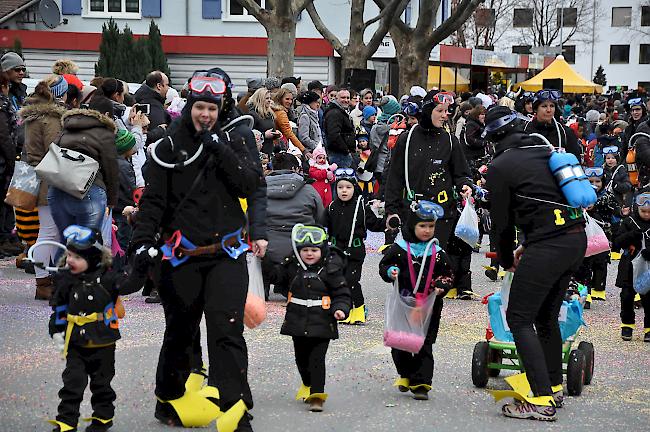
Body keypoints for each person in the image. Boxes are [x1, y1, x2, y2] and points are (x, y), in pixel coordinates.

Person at [129, 74, 261, 430]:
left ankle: (234, 409)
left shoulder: (234, 139)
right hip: (181, 255)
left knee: (227, 329)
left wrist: (219, 146)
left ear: (221, 109)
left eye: (212, 108)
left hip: (226, 254)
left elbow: (250, 184)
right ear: (189, 107)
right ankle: (169, 398)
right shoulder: (168, 145)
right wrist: (141, 244)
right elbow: (154, 202)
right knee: (181, 331)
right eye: (200, 107)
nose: (205, 114)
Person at [484, 106, 587, 421]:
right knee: (545, 317)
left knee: (518, 317)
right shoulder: (545, 149)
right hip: (575, 238)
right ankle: (553, 386)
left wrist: (505, 258)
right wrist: (526, 244)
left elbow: (501, 224)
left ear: (493, 138)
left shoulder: (501, 166)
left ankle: (540, 399)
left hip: (549, 246)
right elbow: (544, 202)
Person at [47, 225, 139, 432]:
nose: (70, 260)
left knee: (102, 384)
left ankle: (103, 418)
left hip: (103, 341)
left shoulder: (108, 279)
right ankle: (66, 421)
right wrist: (56, 332)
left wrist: (141, 265)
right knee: (73, 382)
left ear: (94, 258)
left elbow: (129, 285)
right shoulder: (65, 279)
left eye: (77, 257)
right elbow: (59, 308)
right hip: (75, 342)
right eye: (69, 255)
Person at [268, 224, 351, 412]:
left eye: (314, 250)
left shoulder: (331, 269)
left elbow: (342, 292)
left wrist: (341, 309)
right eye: (305, 250)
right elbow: (275, 276)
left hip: (323, 323)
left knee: (317, 359)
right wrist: (264, 258)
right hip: (297, 322)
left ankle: (317, 395)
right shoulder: (293, 267)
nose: (310, 254)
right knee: (301, 359)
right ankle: (307, 383)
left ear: (322, 249)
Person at [378, 201, 454, 401]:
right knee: (400, 341)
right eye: (422, 226)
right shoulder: (400, 248)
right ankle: (405, 374)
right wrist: (389, 271)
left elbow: (447, 273)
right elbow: (386, 263)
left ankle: (421, 383)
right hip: (404, 301)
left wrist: (442, 285)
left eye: (431, 226)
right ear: (412, 226)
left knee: (424, 344)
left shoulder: (437, 252)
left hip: (429, 305)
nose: (427, 231)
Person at [384, 90, 473, 250]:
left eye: (446, 111)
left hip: (443, 212)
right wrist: (391, 210)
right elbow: (394, 177)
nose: (445, 115)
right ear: (427, 111)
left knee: (436, 264)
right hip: (413, 211)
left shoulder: (450, 141)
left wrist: (465, 185)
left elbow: (461, 173)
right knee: (415, 265)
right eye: (440, 111)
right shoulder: (407, 139)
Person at [21, 78, 68, 300]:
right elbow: (56, 150)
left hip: (40, 175)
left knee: (50, 231)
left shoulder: (34, 115)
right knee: (49, 232)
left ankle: (47, 279)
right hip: (49, 178)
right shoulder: (50, 119)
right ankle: (42, 282)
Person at [48, 107, 119, 240]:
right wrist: (112, 199)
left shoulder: (65, 130)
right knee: (86, 246)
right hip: (90, 190)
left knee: (65, 244)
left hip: (58, 190)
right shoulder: (104, 132)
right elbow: (111, 168)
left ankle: (60, 262)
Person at [325, 168, 382, 324]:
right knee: (339, 280)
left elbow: (374, 224)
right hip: (337, 251)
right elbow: (323, 226)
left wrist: (388, 223)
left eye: (348, 187)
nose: (344, 191)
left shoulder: (361, 206)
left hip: (355, 250)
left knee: (351, 279)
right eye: (340, 187)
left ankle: (359, 309)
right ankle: (345, 309)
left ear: (354, 188)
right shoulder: (331, 207)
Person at [264, 153, 324, 297]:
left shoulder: (259, 189)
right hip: (300, 251)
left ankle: (264, 285)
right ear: (295, 168)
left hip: (267, 252)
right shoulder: (309, 190)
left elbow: (250, 219)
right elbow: (321, 219)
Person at [612, 192, 650, 342]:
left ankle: (648, 329)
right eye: (643, 211)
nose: (646, 215)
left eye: (649, 212)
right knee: (627, 297)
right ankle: (627, 325)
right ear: (637, 208)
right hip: (629, 267)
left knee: (649, 300)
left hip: (648, 269)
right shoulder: (628, 222)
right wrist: (631, 235)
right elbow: (617, 243)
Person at [523, 89, 581, 159]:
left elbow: (575, 160)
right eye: (544, 106)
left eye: (552, 106)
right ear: (535, 109)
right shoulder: (525, 130)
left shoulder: (564, 132)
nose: (549, 110)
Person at [0, 69, 20, 260]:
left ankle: (5, 239)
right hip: (2, 161)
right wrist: (11, 159)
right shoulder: (2, 105)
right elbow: (4, 136)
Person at [134, 70, 171, 144]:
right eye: (167, 85)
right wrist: (161, 130)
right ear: (159, 86)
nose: (168, 88)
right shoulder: (155, 106)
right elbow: (157, 140)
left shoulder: (139, 99)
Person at [323, 88, 356, 168]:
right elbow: (334, 135)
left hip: (341, 153)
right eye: (343, 97)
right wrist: (346, 149)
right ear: (336, 98)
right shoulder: (335, 113)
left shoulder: (341, 111)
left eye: (348, 98)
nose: (346, 100)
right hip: (338, 155)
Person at [272, 88, 307, 156]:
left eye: (291, 99)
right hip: (279, 146)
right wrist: (303, 149)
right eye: (287, 99)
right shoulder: (281, 113)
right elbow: (289, 133)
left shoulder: (276, 110)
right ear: (280, 99)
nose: (290, 102)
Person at [247, 87, 278, 156]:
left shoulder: (269, 113)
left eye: (270, 98)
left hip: (269, 151)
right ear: (260, 99)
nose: (269, 100)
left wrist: (275, 134)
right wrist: (264, 135)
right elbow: (249, 135)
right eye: (267, 98)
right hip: (258, 153)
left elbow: (269, 130)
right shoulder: (253, 114)